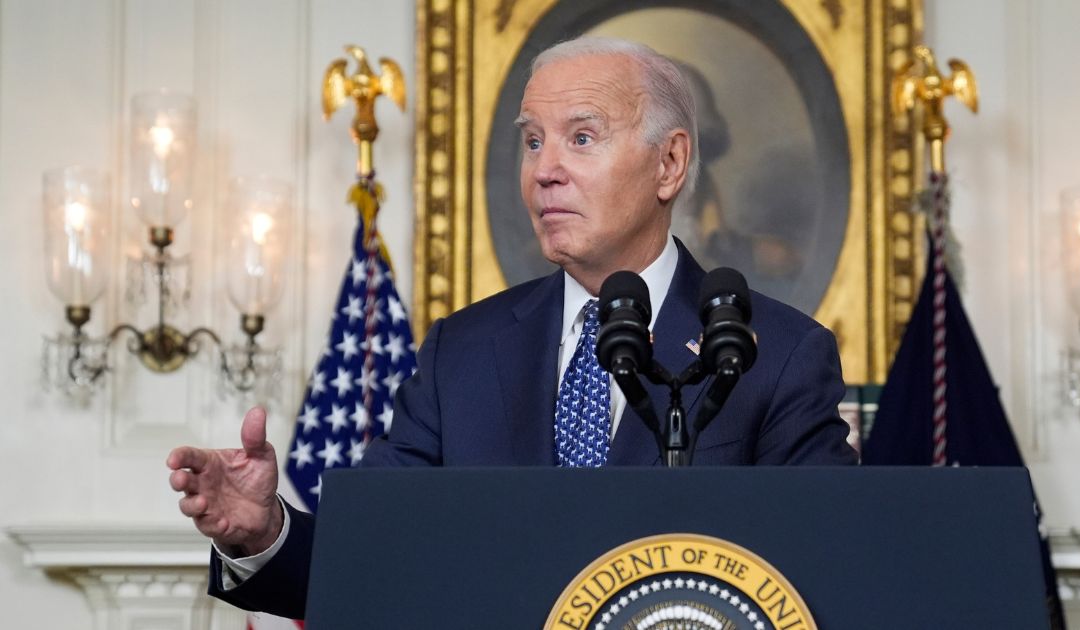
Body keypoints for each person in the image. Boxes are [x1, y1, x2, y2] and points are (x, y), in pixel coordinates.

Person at [166, 36, 857, 619]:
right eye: (532, 142)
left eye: (581, 138)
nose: (544, 171)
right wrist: (263, 531)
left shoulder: (778, 356)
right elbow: (371, 561)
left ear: (669, 164)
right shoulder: (460, 354)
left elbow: (833, 580)